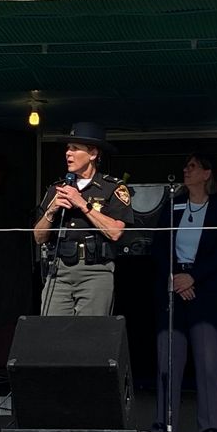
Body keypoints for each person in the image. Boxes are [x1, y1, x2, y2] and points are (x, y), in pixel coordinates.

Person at [151, 153, 217, 432]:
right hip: (174, 288)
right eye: (185, 166)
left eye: (193, 167)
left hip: (206, 290)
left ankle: (212, 430)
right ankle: (164, 425)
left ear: (207, 173)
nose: (186, 171)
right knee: (168, 359)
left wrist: (194, 276)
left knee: (207, 361)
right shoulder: (173, 205)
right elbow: (159, 244)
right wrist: (176, 277)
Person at [32, 122, 134, 316]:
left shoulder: (112, 188)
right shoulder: (56, 188)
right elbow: (38, 237)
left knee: (90, 335)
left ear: (93, 154)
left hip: (94, 271)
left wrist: (82, 204)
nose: (68, 153)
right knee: (52, 331)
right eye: (67, 149)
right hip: (58, 271)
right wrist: (51, 210)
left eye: (75, 149)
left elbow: (115, 232)